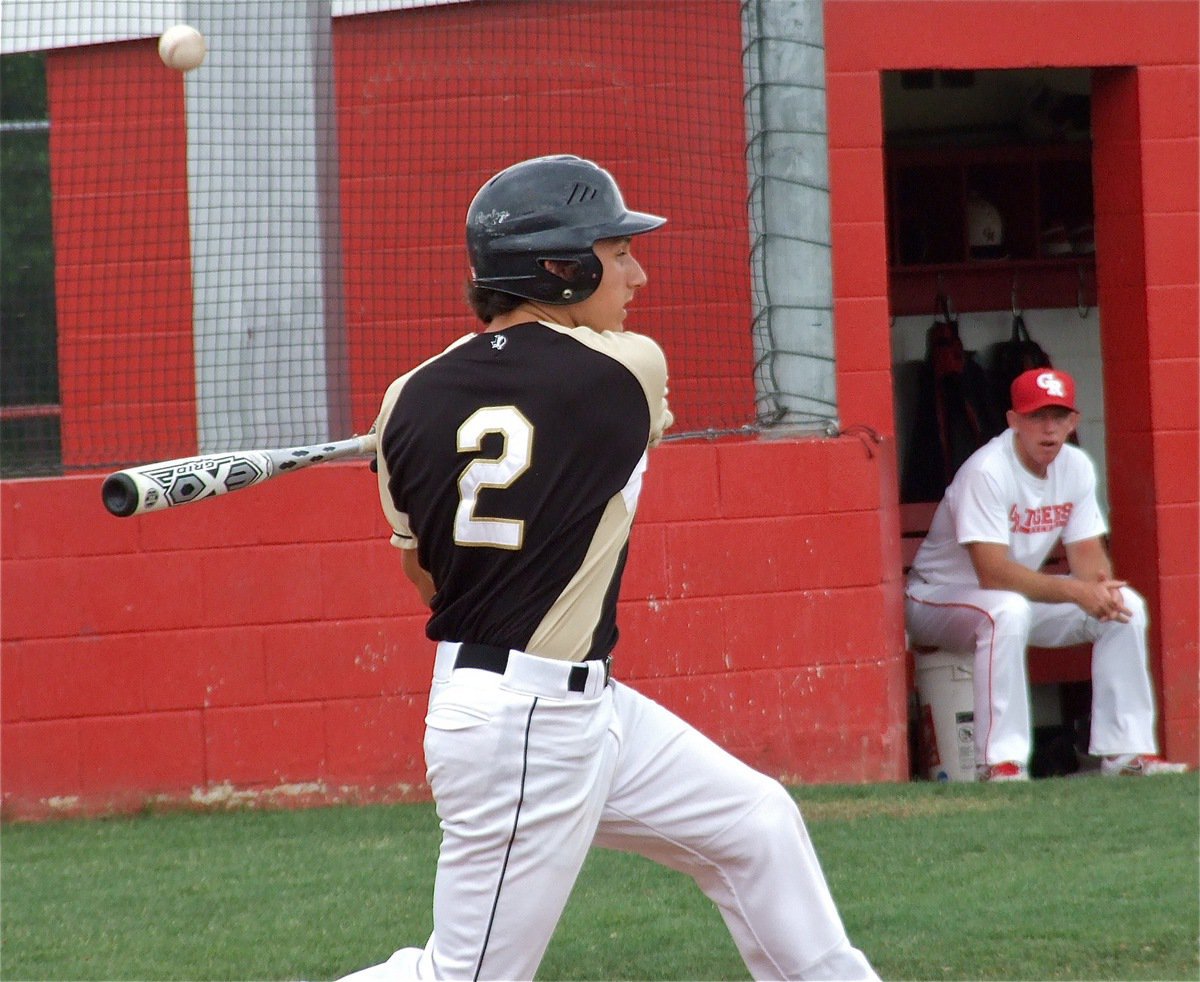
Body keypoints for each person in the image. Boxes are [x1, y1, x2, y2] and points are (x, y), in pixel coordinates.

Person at [342, 155, 878, 981]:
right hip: (527, 724)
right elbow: (549, 399)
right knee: (467, 977)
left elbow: (431, 582)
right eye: (614, 251)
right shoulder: (629, 368)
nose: (637, 272)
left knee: (755, 827)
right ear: (560, 269)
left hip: (562, 705)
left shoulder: (407, 397)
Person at [905, 367, 1188, 782]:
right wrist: (1076, 594)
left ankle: (1127, 753)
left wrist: (1099, 591)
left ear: (1074, 421)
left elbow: (1089, 556)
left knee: (1127, 607)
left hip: (1011, 599)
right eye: (1037, 417)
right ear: (1013, 421)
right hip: (936, 598)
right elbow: (993, 574)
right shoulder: (987, 470)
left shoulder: (1075, 467)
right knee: (1006, 610)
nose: (1049, 429)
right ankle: (1002, 762)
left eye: (1059, 417)